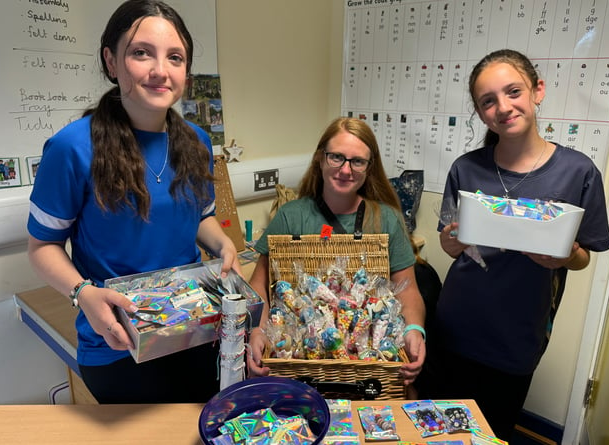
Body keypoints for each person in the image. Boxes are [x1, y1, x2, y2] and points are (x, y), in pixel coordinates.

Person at [26, 0, 240, 404]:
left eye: (175, 57)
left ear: (186, 72)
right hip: (116, 345)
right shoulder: (72, 148)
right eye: (142, 52)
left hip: (195, 332)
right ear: (111, 61)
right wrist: (83, 294)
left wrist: (222, 244)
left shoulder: (196, 141)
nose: (160, 70)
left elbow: (201, 217)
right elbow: (42, 247)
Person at [418, 49, 609, 440]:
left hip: (517, 335)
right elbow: (453, 245)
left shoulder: (579, 172)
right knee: (436, 430)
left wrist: (565, 256)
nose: (502, 107)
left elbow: (584, 258)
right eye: (488, 101)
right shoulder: (466, 167)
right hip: (456, 323)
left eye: (513, 92)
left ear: (537, 91)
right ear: (479, 110)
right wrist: (450, 244)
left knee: (490, 432)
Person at [246, 117, 427, 388]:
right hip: (297, 366)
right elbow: (259, 285)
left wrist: (414, 330)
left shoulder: (385, 219)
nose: (346, 170)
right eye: (336, 157)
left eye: (357, 161)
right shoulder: (291, 217)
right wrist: (259, 330)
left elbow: (408, 290)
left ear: (369, 168)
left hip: (368, 372)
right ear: (320, 159)